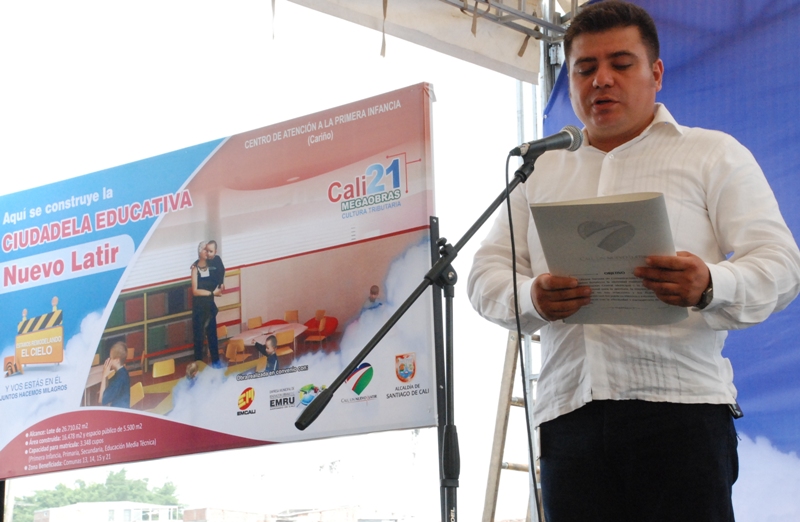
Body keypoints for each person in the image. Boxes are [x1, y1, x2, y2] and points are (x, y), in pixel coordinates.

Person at [467, 2, 800, 521]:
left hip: (681, 413)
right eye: (584, 68)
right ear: (571, 81)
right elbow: (485, 275)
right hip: (569, 419)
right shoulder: (539, 172)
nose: (601, 80)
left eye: (620, 64)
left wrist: (711, 283)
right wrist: (531, 297)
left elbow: (781, 264)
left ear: (656, 73)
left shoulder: (712, 154)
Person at [192, 241, 222, 368]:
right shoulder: (195, 269)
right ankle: (197, 369)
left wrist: (221, 284)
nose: (207, 252)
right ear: (200, 252)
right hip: (199, 310)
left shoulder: (212, 265)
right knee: (199, 340)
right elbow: (195, 291)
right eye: (205, 249)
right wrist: (212, 293)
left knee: (213, 339)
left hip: (209, 308)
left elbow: (220, 269)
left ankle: (217, 367)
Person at [99, 341, 130, 408]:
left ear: (117, 360)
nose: (109, 360)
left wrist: (104, 375)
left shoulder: (119, 378)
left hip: (119, 412)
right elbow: (108, 388)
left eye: (111, 358)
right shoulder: (123, 372)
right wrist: (106, 376)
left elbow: (101, 400)